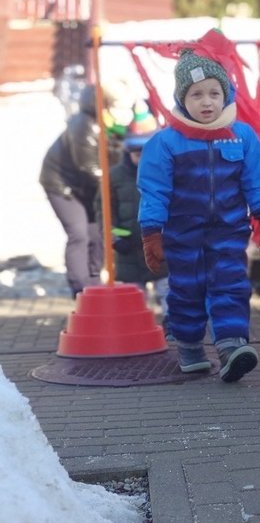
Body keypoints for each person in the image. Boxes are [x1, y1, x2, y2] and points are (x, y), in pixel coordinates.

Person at [137, 47, 260, 382]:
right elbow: (154, 190)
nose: (207, 102)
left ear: (226, 95)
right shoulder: (166, 142)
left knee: (231, 285)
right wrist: (151, 233)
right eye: (197, 94)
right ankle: (189, 346)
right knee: (187, 289)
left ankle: (231, 346)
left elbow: (257, 181)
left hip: (229, 232)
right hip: (182, 234)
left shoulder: (242, 137)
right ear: (181, 99)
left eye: (214, 93)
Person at [39, 83, 114, 297]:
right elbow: (88, 167)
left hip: (85, 187)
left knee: (96, 233)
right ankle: (80, 287)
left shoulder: (108, 124)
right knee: (79, 233)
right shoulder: (83, 125)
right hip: (62, 185)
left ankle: (94, 281)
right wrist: (112, 190)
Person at [109, 102, 170, 334]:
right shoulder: (115, 176)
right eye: (137, 154)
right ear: (128, 153)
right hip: (129, 247)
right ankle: (137, 328)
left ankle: (172, 323)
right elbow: (105, 211)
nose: (142, 158)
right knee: (134, 295)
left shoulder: (165, 173)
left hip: (159, 243)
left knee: (167, 288)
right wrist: (114, 237)